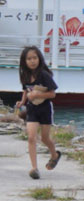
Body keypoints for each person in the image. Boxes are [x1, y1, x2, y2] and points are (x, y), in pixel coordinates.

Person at [17, 45, 60, 180]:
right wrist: (22, 101)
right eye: (29, 59)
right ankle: (34, 168)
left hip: (45, 109)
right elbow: (26, 89)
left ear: (39, 59)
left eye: (34, 58)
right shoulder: (25, 75)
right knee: (31, 137)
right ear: (24, 61)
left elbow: (52, 94)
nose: (32, 61)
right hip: (32, 109)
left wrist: (37, 95)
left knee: (45, 138)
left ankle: (55, 155)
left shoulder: (44, 75)